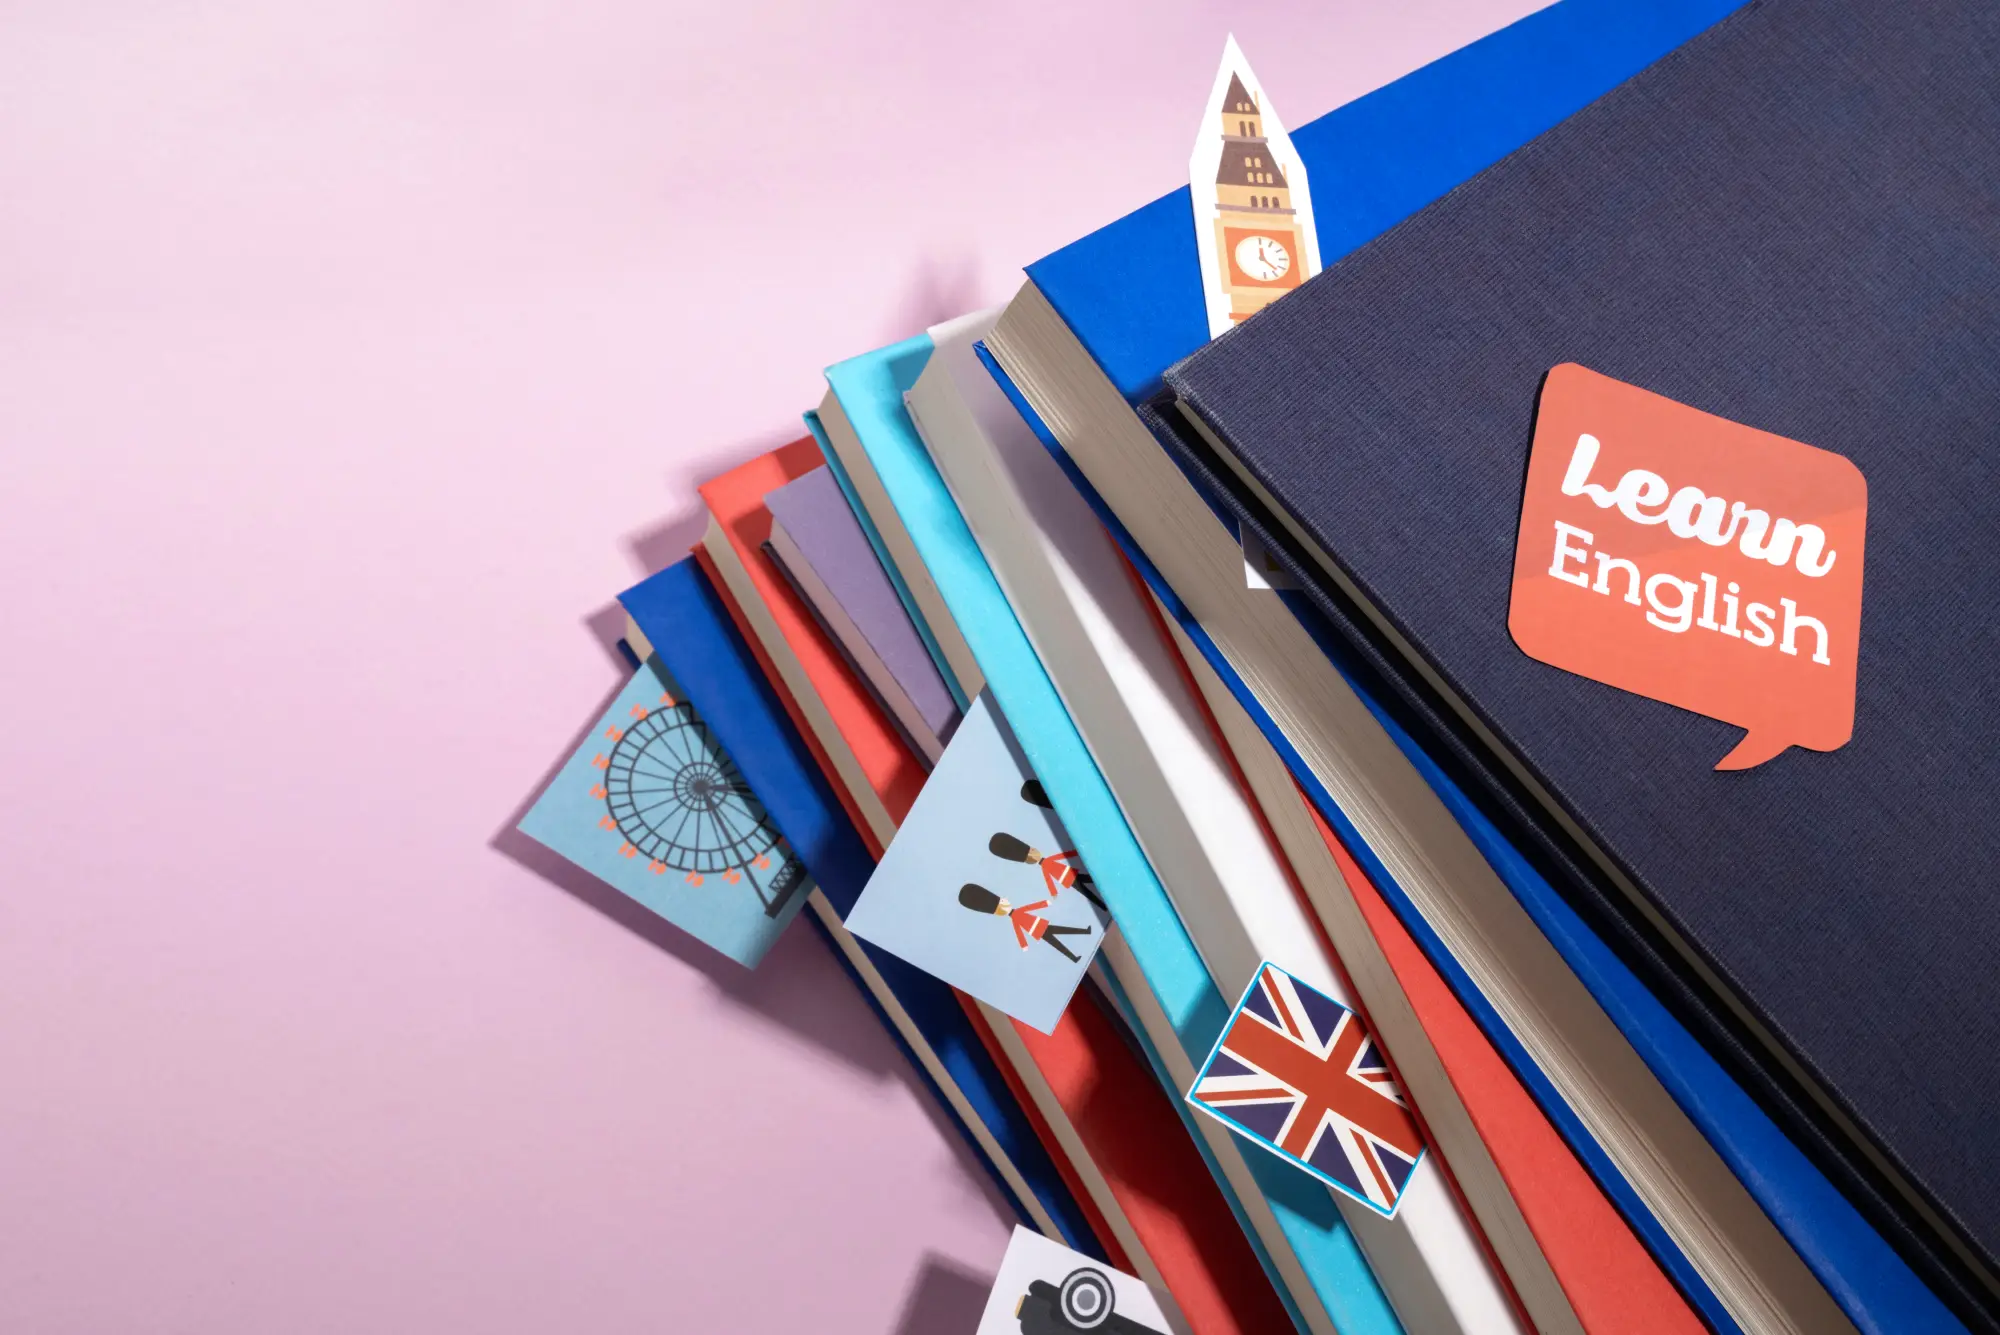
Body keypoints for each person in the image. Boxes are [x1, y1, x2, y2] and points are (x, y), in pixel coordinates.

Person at [958, 882, 1093, 962]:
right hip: (1038, 930)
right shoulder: (1015, 917)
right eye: (1002, 901)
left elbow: (1029, 908)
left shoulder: (1016, 913)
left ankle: (1084, 934)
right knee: (1058, 941)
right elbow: (1018, 930)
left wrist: (1044, 903)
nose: (1005, 900)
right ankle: (1075, 954)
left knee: (1062, 932)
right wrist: (1023, 944)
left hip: (1039, 926)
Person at [988, 831, 1104, 911]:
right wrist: (1053, 892)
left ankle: (1103, 902)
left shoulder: (1047, 862)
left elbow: (1060, 857)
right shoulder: (1045, 866)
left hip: (1068, 874)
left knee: (1089, 882)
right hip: (1067, 878)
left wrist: (1074, 852)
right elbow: (1048, 878)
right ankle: (1103, 905)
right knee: (1087, 890)